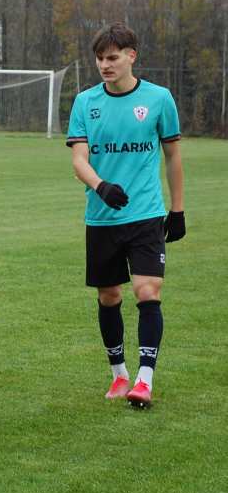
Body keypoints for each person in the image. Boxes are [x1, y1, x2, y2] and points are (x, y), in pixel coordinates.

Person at [66, 22, 184, 409]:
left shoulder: (159, 99)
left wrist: (177, 209)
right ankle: (119, 375)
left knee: (148, 291)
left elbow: (172, 156)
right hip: (101, 218)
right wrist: (101, 186)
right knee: (109, 296)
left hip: (146, 214)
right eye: (100, 58)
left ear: (131, 56)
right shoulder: (85, 102)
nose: (105, 64)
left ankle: (144, 380)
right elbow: (78, 159)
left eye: (112, 57)